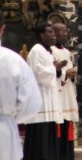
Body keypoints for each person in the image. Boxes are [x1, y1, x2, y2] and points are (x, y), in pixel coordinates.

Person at [0, 9, 42, 160]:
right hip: (4, 131)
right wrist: (10, 118)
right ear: (2, 29)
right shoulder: (14, 61)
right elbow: (32, 103)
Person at [23, 22, 64, 160]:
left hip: (49, 100)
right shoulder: (36, 50)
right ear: (41, 35)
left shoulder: (47, 51)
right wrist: (55, 68)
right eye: (50, 32)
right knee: (40, 140)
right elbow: (37, 73)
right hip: (41, 103)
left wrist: (57, 70)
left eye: (54, 32)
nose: (54, 35)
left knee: (49, 138)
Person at [50, 23, 78, 160]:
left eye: (66, 31)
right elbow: (51, 74)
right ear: (53, 33)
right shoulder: (50, 51)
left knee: (68, 124)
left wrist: (71, 75)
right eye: (61, 31)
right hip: (58, 95)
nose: (65, 34)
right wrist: (65, 74)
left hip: (68, 93)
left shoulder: (67, 52)